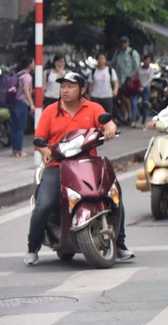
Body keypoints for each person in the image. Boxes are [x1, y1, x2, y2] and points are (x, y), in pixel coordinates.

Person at [25, 72, 134, 265]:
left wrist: (109, 128)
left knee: (113, 196)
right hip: (57, 165)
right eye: (63, 86)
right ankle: (33, 246)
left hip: (87, 164)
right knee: (45, 204)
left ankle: (120, 243)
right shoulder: (51, 111)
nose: (65, 90)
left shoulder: (93, 108)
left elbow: (107, 122)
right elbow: (39, 140)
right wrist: (44, 152)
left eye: (70, 86)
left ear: (82, 89)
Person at [10, 57, 35, 157]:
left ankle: (14, 150)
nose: (34, 64)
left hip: (13, 102)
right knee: (20, 128)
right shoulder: (27, 76)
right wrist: (31, 104)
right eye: (33, 63)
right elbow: (25, 90)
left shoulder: (18, 74)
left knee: (14, 127)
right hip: (22, 103)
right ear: (29, 64)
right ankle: (19, 151)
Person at [112, 36, 141, 122]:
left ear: (128, 43)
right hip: (119, 80)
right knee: (121, 98)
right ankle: (125, 116)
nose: (123, 44)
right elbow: (113, 63)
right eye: (122, 42)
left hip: (128, 80)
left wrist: (131, 77)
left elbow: (137, 67)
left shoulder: (132, 53)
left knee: (126, 97)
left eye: (125, 42)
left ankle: (130, 115)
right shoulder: (118, 53)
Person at [131, 53, 155, 128]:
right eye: (146, 60)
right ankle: (133, 121)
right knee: (134, 103)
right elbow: (133, 76)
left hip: (146, 89)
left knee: (145, 105)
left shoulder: (151, 70)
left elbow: (150, 79)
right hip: (138, 88)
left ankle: (143, 122)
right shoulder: (139, 69)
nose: (147, 62)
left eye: (149, 60)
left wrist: (143, 86)